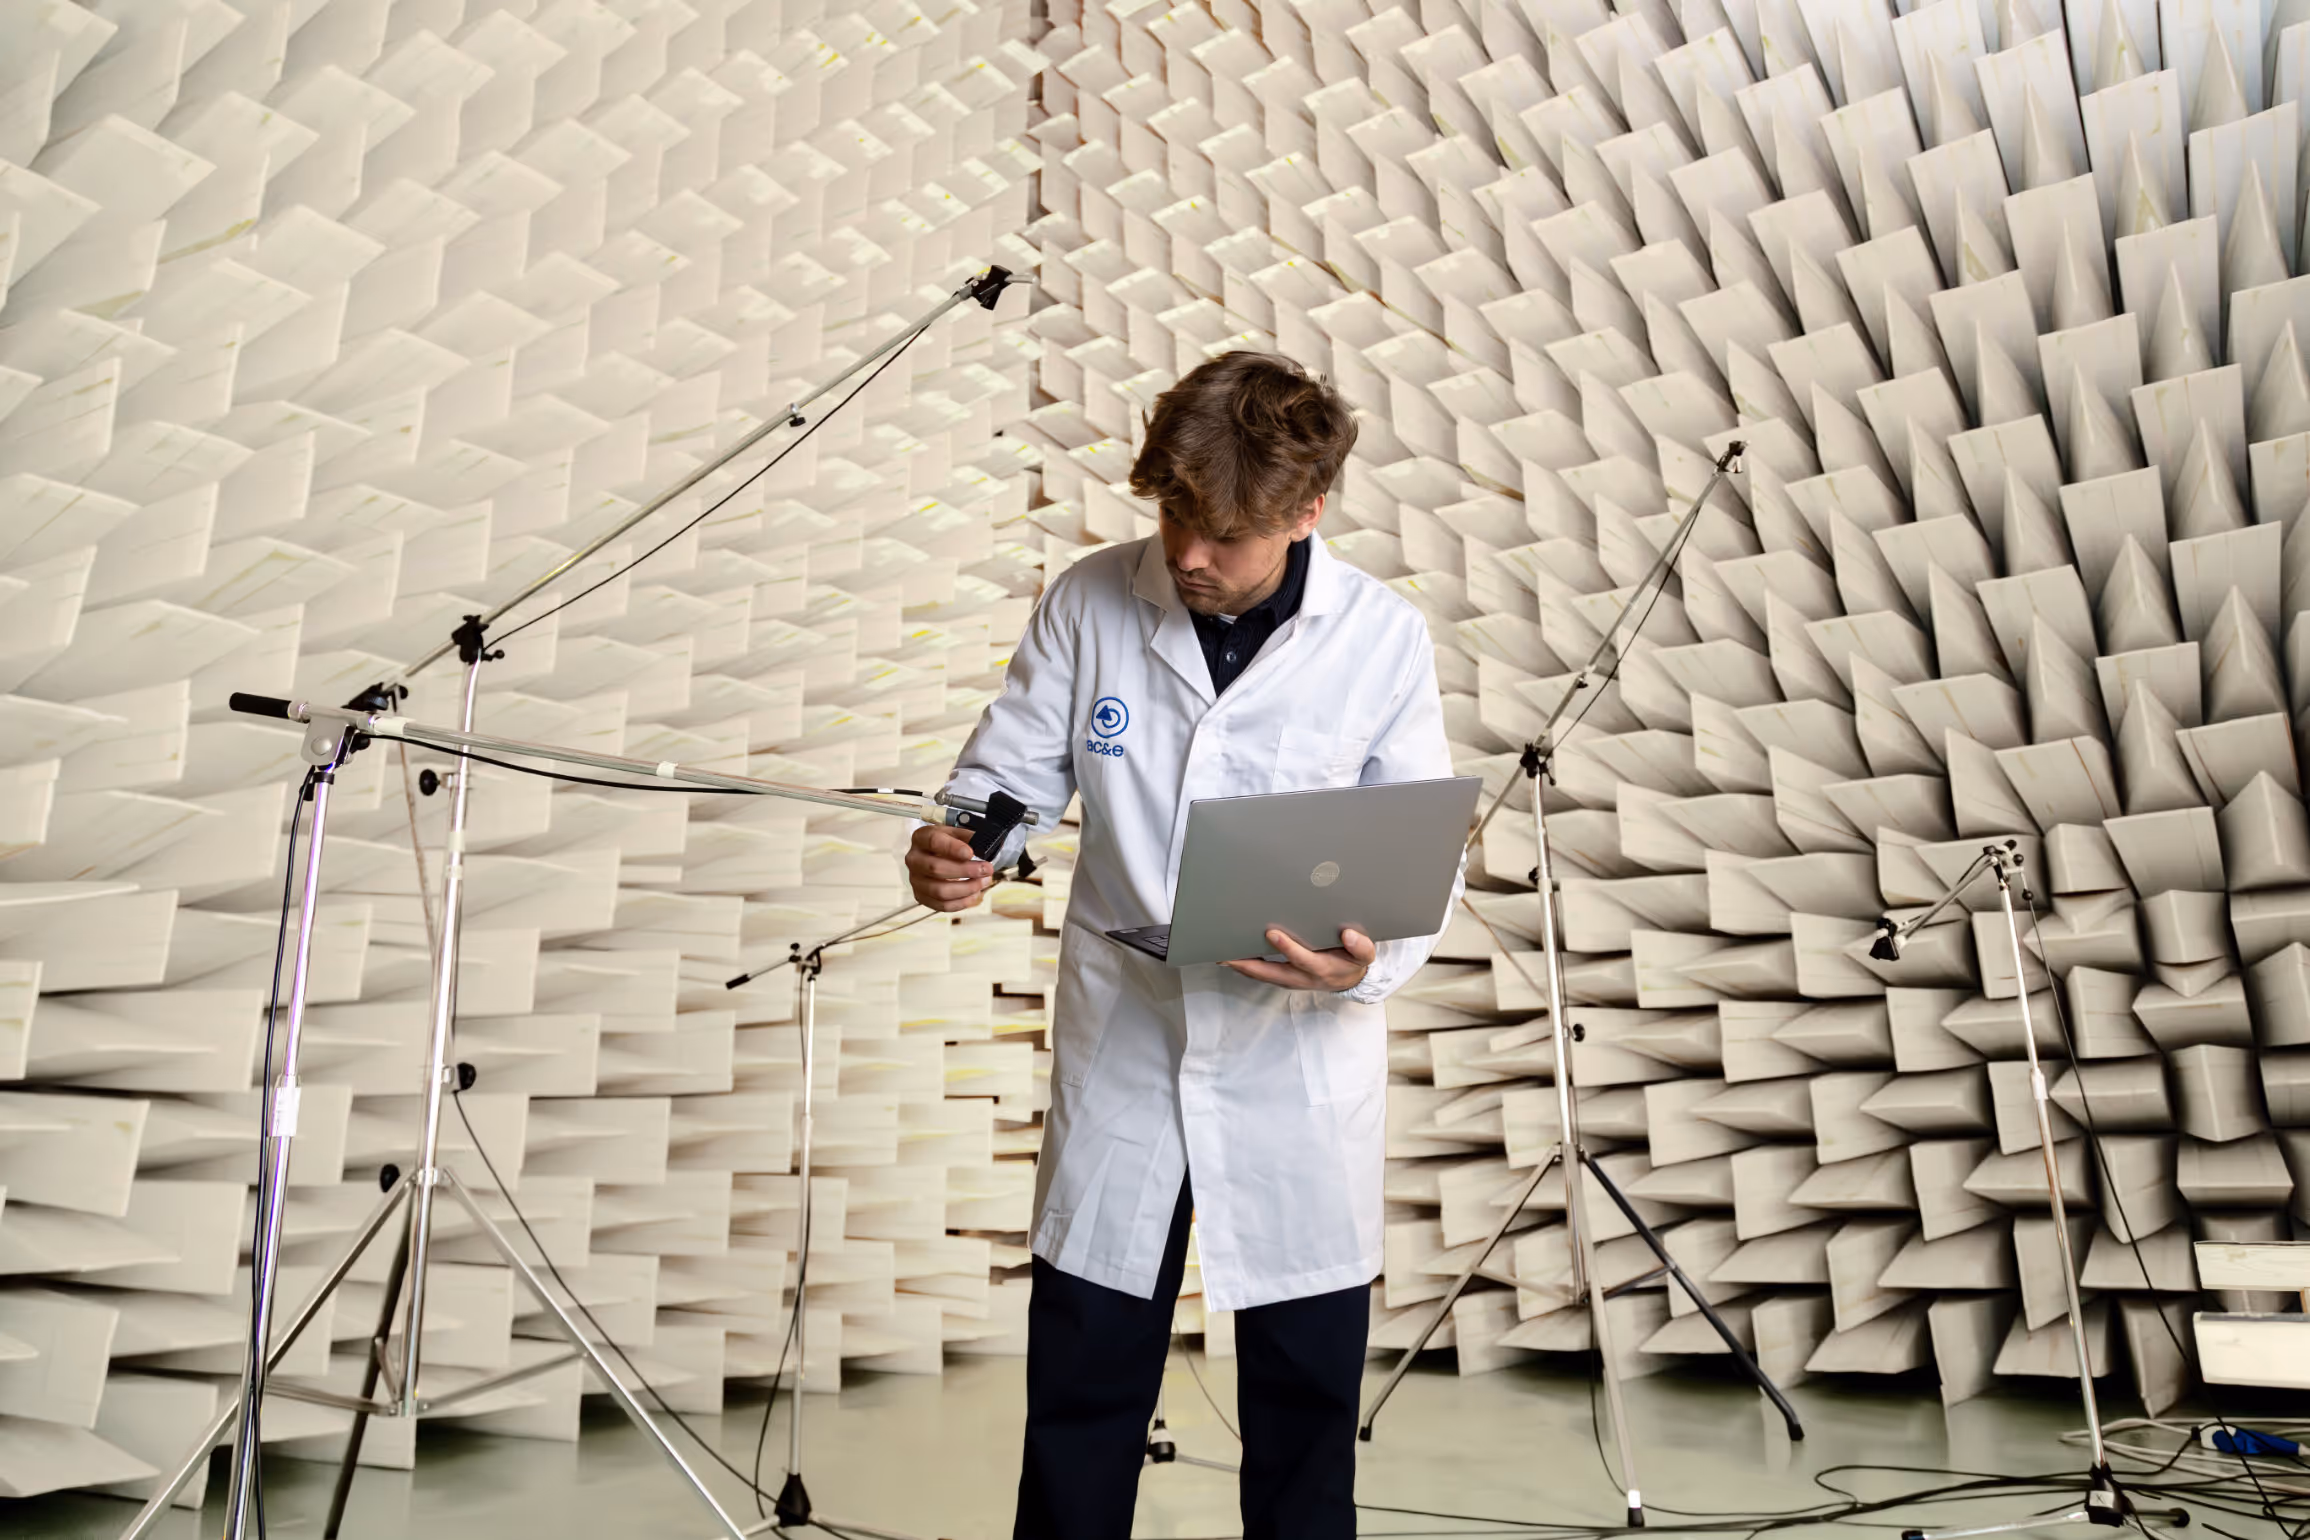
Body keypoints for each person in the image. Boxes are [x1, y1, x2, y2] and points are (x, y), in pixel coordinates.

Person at [907, 351, 1461, 1540]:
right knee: (1080, 1392)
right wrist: (962, 848)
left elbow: (1422, 859)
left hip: (1295, 1060)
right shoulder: (1089, 599)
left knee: (1305, 1410)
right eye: (1172, 517)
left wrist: (1361, 963)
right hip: (1130, 1045)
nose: (1189, 555)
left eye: (1223, 533)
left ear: (1306, 513)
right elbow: (1003, 781)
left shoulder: (1381, 638)